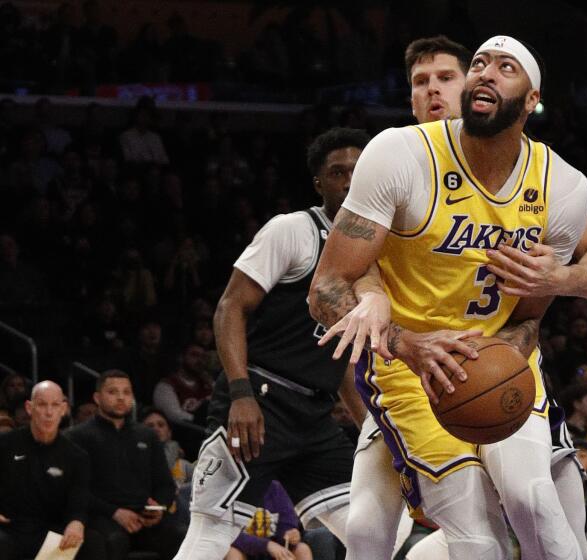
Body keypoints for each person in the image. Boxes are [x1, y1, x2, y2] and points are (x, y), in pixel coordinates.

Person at [324, 35, 587, 560]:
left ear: (532, 98)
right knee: (462, 536)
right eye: (481, 63)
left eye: (505, 67)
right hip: (410, 367)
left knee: (540, 511)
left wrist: (552, 285)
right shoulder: (398, 154)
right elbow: (329, 284)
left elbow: (561, 298)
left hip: (500, 360)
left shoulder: (562, 186)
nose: (485, 73)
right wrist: (406, 342)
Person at [173, 128, 372, 560]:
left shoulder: (374, 256)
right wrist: (240, 394)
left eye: (358, 171)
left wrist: (369, 428)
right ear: (320, 183)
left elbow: (342, 359)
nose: (349, 180)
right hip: (260, 401)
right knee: (208, 537)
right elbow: (229, 308)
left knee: (374, 532)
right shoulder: (292, 230)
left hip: (315, 417)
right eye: (338, 172)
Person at [66, 370, 186, 560]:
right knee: (113, 540)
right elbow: (75, 489)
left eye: (126, 392)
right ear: (97, 397)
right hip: (103, 515)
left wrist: (159, 508)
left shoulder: (147, 435)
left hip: (144, 517)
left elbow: (165, 484)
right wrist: (114, 512)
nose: (121, 397)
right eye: (113, 392)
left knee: (182, 535)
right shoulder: (78, 436)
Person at [0, 381, 106, 560]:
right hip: (10, 527)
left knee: (93, 542)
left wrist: (76, 522)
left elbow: (79, 500)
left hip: (51, 528)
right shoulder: (5, 444)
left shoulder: (76, 456)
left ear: (63, 409)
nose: (48, 413)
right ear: (29, 408)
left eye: (55, 405)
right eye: (42, 405)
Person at [227, 481, 313, 560]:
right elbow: (227, 534)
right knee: (232, 553)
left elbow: (288, 521)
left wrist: (290, 534)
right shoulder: (226, 488)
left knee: (302, 549)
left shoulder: (273, 487)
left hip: (275, 549)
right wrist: (266, 545)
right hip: (242, 548)